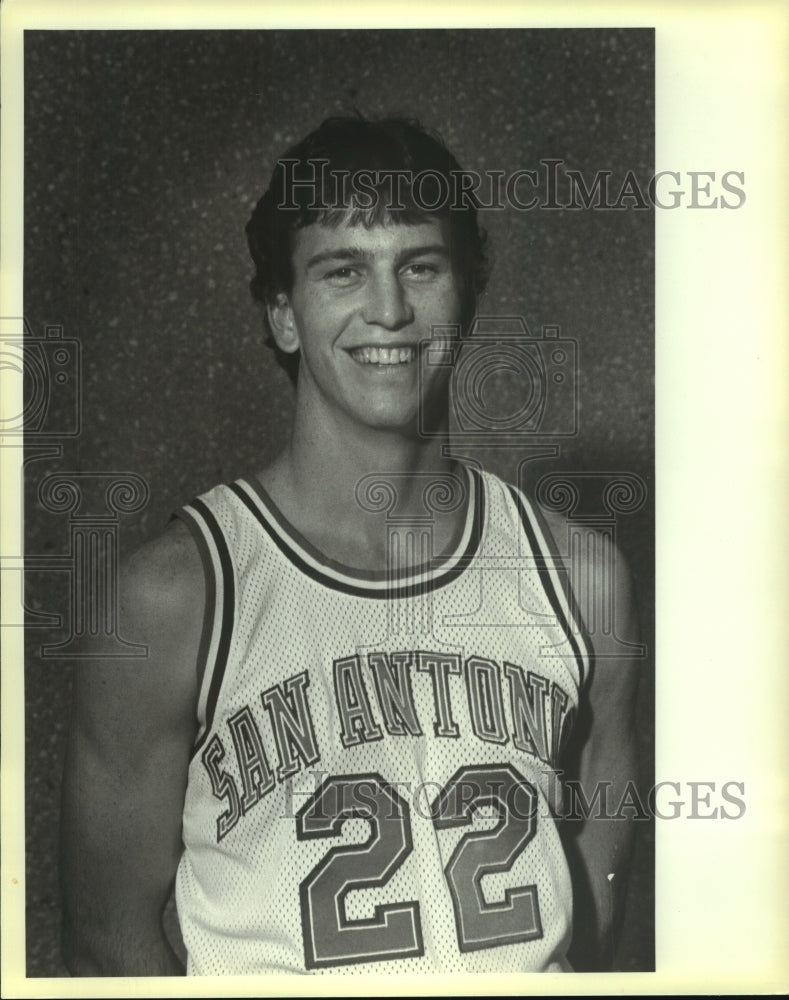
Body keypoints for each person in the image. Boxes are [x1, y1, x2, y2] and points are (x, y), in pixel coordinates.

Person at [60, 115, 640, 976]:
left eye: (421, 266)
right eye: (344, 271)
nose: (390, 310)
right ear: (284, 315)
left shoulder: (578, 577)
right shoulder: (177, 596)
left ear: (469, 291)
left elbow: (600, 896)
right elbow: (108, 940)